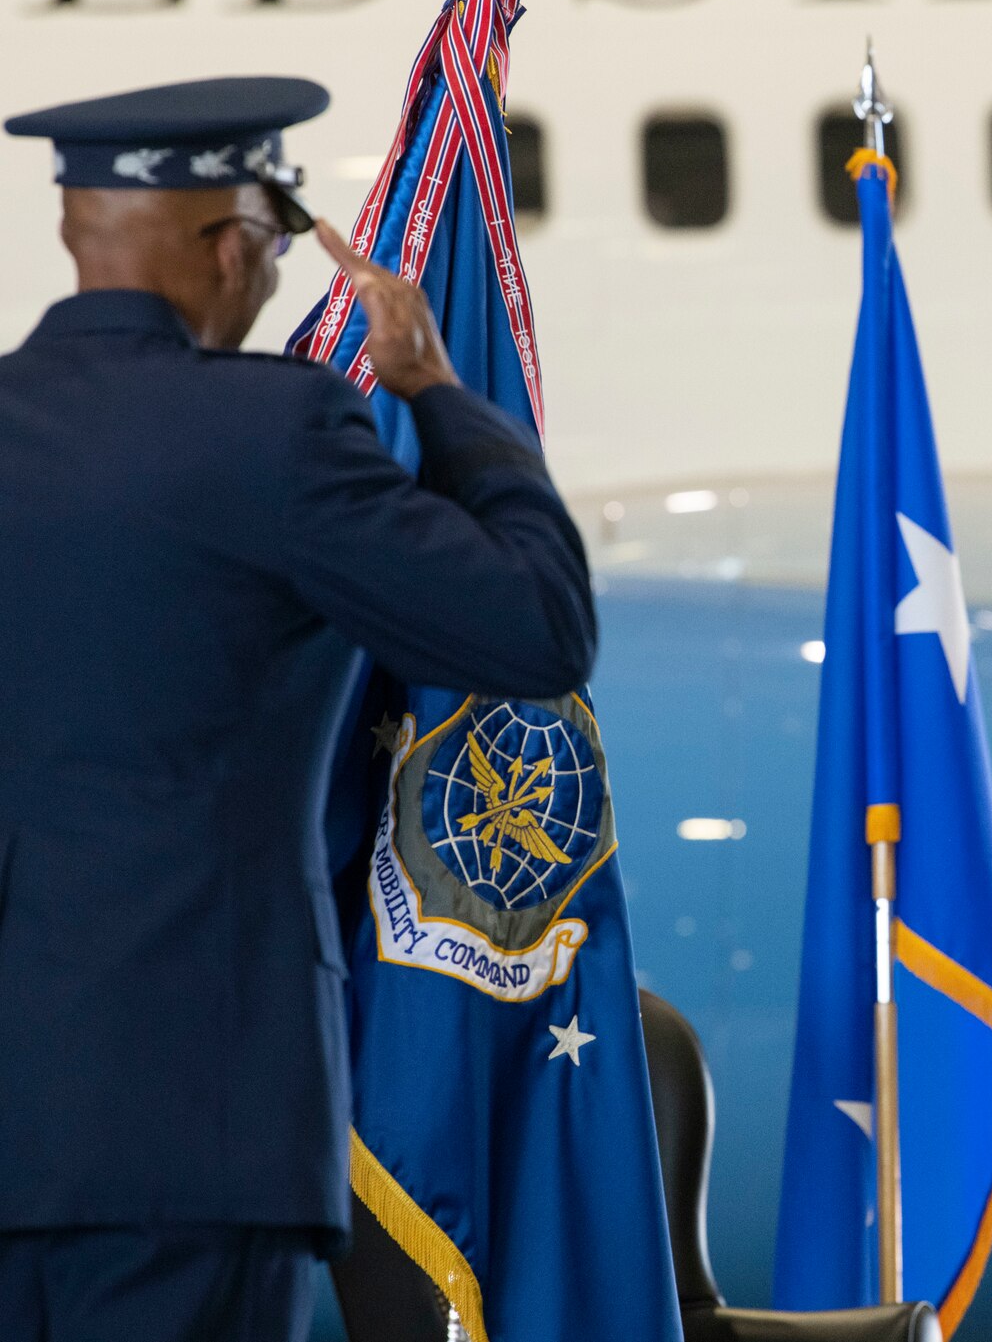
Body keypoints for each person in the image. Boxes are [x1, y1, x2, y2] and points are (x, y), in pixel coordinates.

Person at [0, 78, 596, 1341]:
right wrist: (438, 392)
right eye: (273, 245)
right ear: (231, 244)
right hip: (193, 1135)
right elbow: (536, 629)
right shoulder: (272, 434)